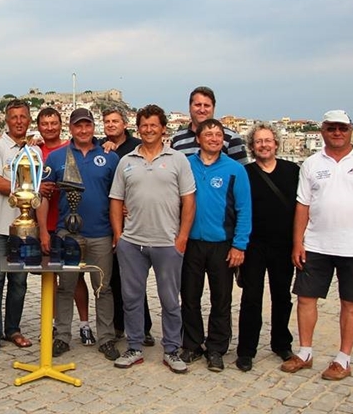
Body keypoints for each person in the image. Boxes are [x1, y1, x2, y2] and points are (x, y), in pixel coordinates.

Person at [282, 110, 353, 380]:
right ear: (323, 130)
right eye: (331, 128)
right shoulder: (311, 164)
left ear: (350, 130)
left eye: (342, 128)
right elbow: (302, 205)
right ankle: (305, 352)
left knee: (350, 303)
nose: (337, 133)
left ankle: (343, 359)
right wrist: (298, 242)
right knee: (305, 299)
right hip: (316, 244)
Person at [109, 105, 194, 373]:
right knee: (131, 298)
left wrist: (182, 237)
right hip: (132, 242)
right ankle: (134, 347)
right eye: (144, 126)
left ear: (163, 128)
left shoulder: (178, 160)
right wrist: (119, 236)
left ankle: (172, 349)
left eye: (153, 125)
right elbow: (116, 200)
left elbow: (189, 200)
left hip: (167, 242)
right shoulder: (126, 161)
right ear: (138, 128)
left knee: (170, 300)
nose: (148, 130)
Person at [38, 107, 121, 361]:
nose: (83, 130)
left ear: (93, 127)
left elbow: (118, 198)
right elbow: (44, 196)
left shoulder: (109, 157)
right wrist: (43, 232)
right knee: (66, 287)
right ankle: (62, 336)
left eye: (87, 125)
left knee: (103, 288)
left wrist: (118, 231)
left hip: (101, 232)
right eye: (78, 126)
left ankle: (106, 338)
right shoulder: (56, 157)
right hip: (67, 233)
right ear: (71, 128)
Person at [180, 119, 251, 372]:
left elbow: (244, 210)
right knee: (189, 297)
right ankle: (192, 344)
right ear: (198, 139)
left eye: (218, 135)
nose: (214, 138)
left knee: (221, 299)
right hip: (191, 243)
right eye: (208, 134)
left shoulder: (235, 170)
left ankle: (216, 348)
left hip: (222, 244)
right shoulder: (185, 165)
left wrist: (239, 245)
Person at [235, 123, 299, 372]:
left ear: (276, 144)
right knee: (251, 298)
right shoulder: (245, 173)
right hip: (253, 244)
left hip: (283, 244)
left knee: (282, 296)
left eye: (268, 140)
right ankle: (246, 350)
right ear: (252, 146)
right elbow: (237, 208)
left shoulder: (292, 171)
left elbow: (303, 207)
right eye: (258, 141)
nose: (263, 145)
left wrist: (299, 242)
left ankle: (282, 343)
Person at [0, 98, 36, 356]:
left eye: (23, 117)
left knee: (19, 283)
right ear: (6, 120)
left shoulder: (33, 151)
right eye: (14, 117)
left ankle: (12, 329)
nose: (19, 121)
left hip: (24, 231)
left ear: (29, 119)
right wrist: (28, 189)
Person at [36, 107, 94, 346]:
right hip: (46, 224)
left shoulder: (69, 150)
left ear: (62, 126)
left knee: (75, 277)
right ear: (38, 126)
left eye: (54, 123)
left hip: (69, 226)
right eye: (45, 123)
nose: (49, 127)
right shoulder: (34, 150)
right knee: (50, 279)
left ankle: (84, 324)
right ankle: (54, 325)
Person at [101, 106, 154, 347]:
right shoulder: (100, 146)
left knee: (134, 279)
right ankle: (118, 325)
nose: (111, 125)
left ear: (125, 124)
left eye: (115, 121)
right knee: (113, 278)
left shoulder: (136, 147)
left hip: (134, 221)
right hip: (109, 221)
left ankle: (144, 327)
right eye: (107, 122)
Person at [171, 86, 249, 165]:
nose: (202, 110)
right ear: (190, 108)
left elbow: (242, 170)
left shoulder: (231, 138)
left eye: (206, 105)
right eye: (198, 105)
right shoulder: (176, 139)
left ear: (213, 108)